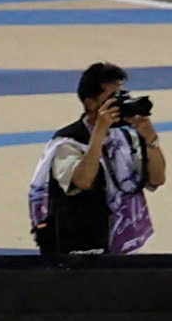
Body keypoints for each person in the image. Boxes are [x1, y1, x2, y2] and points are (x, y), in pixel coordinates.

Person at [29, 61, 162, 257]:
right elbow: (83, 181)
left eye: (122, 95)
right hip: (77, 245)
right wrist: (99, 131)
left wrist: (150, 139)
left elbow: (157, 179)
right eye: (112, 98)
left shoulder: (124, 138)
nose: (119, 103)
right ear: (91, 104)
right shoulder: (67, 143)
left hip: (117, 242)